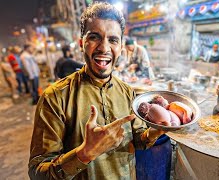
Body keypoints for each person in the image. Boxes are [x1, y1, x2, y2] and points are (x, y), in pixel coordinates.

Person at [28, 2, 165, 179]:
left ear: (121, 47)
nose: (104, 48)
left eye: (113, 40)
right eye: (94, 37)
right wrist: (84, 154)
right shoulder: (55, 98)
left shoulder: (128, 92)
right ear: (81, 43)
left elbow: (137, 139)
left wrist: (156, 130)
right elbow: (37, 172)